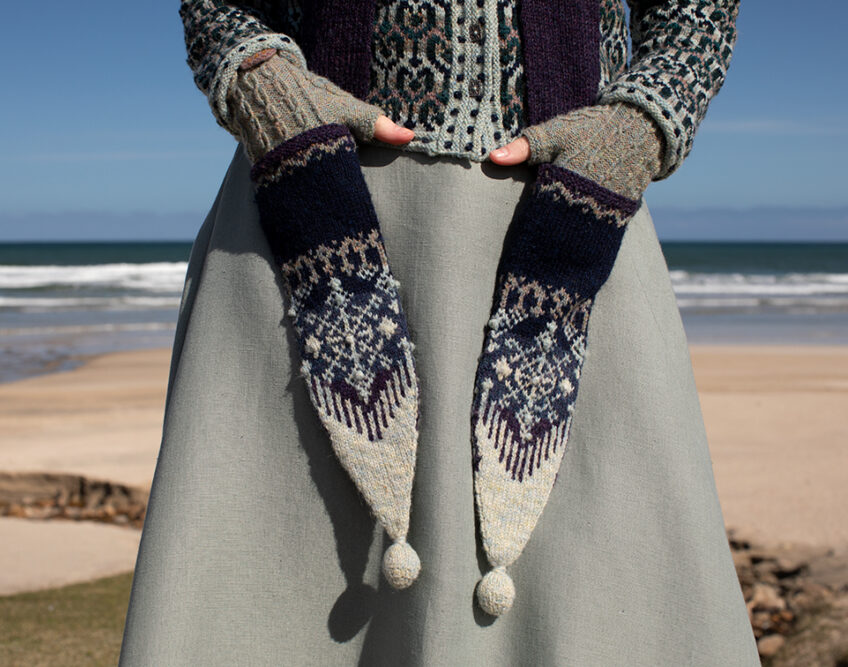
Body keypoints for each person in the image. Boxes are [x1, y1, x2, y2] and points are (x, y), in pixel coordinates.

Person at [119, 1, 760, 664]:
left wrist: (642, 121)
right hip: (305, 201)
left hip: (582, 211)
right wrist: (262, 81)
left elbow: (698, 12)